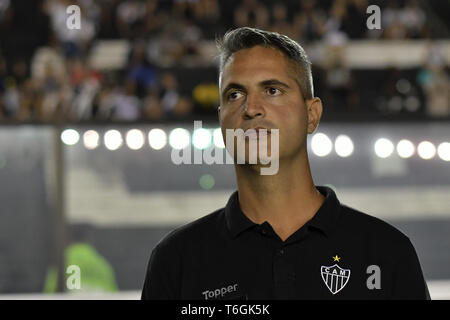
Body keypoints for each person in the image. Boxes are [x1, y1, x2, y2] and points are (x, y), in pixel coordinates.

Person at [141, 27, 430, 300]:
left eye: (272, 90)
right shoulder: (176, 261)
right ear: (221, 120)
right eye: (235, 94)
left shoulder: (387, 253)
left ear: (312, 114)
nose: (251, 108)